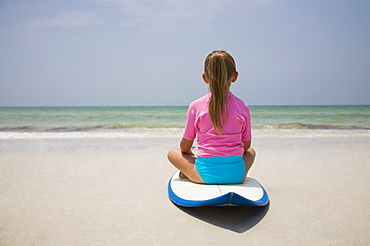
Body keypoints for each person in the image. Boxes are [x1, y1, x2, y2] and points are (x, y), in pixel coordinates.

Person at [167, 50, 256, 184]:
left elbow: (185, 146)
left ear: (205, 77)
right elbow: (246, 146)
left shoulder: (196, 106)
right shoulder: (242, 107)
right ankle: (231, 173)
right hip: (237, 175)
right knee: (252, 152)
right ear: (235, 76)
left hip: (204, 175)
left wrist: (189, 153)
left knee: (172, 153)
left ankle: (189, 172)